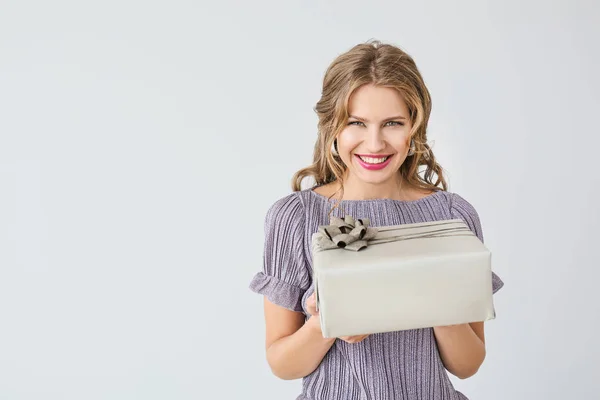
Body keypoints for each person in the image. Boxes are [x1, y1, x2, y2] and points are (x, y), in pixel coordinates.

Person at [248, 40, 504, 400]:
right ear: (332, 126)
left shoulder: (452, 215)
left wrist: (437, 301)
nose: (374, 143)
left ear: (415, 125)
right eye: (356, 123)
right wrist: (330, 322)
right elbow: (282, 363)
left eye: (392, 123)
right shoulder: (296, 217)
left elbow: (468, 363)